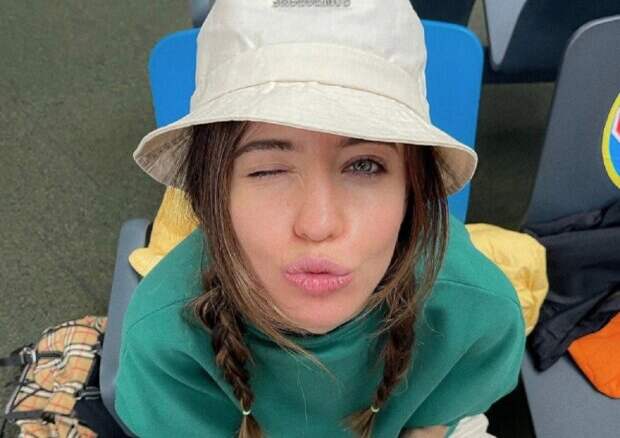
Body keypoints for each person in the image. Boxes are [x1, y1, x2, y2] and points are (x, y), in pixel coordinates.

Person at [115, 1, 526, 437]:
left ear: (412, 189)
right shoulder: (166, 339)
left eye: (364, 165)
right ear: (212, 192)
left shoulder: (475, 311)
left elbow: (435, 424)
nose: (318, 224)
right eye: (268, 170)